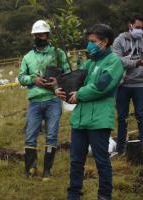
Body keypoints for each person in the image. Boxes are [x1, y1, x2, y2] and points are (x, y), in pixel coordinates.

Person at [55, 24, 124, 200]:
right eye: (89, 41)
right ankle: (73, 195)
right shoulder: (89, 63)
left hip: (99, 120)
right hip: (80, 119)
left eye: (93, 41)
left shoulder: (113, 62)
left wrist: (80, 94)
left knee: (101, 161)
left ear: (105, 41)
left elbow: (102, 87)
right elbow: (74, 84)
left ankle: (104, 196)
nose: (90, 45)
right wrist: (60, 91)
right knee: (76, 161)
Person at [18, 20, 70, 179]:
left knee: (52, 135)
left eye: (42, 34)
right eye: (36, 35)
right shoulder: (27, 57)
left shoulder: (58, 53)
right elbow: (21, 77)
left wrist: (58, 82)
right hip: (34, 102)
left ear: (48, 36)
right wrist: (33, 80)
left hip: (53, 100)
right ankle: (30, 169)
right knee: (30, 135)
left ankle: (47, 170)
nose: (39, 37)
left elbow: (68, 74)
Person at [112, 14, 143, 155]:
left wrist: (129, 62)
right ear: (130, 26)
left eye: (142, 28)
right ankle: (120, 149)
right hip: (123, 84)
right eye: (137, 27)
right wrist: (136, 63)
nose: (140, 30)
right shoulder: (120, 40)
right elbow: (117, 60)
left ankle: (141, 147)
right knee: (122, 117)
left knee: (141, 115)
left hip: (140, 84)